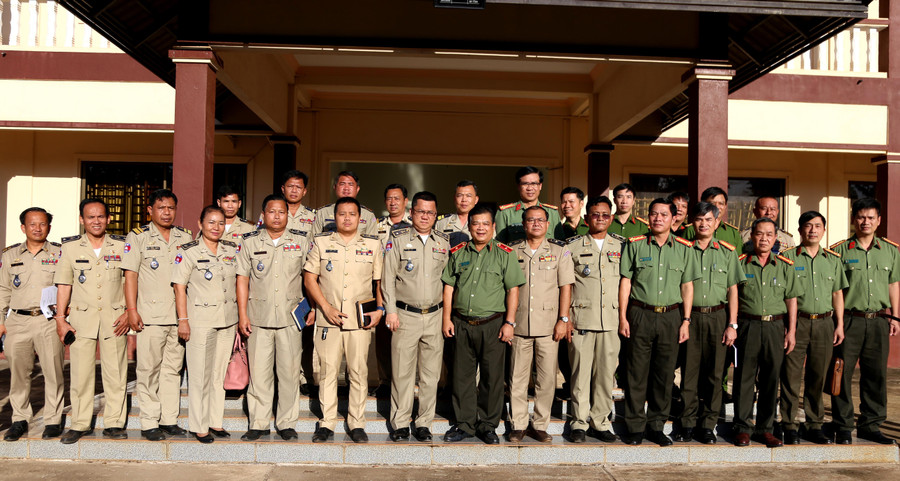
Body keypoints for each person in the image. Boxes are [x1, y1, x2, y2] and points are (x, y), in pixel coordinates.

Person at [441, 203, 525, 445]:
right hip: (462, 323)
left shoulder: (504, 253)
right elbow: (449, 287)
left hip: (493, 324)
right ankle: (465, 424)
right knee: (462, 377)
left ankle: (488, 425)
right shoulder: (458, 252)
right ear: (469, 226)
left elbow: (513, 290)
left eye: (485, 223)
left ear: (493, 226)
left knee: (492, 378)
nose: (480, 228)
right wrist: (446, 318)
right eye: (475, 223)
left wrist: (509, 322)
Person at [618, 198, 699, 446]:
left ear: (674, 218)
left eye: (664, 214)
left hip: (671, 317)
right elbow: (626, 282)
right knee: (636, 373)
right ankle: (633, 426)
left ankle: (656, 426)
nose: (658, 218)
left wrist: (686, 320)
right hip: (640, 314)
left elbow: (687, 286)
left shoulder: (685, 248)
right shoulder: (635, 245)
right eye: (654, 214)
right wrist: (623, 317)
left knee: (664, 375)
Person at [304, 197, 384, 444]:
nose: (347, 218)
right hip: (329, 320)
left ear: (360, 219)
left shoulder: (373, 245)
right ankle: (327, 423)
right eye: (342, 214)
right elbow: (310, 278)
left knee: (358, 372)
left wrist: (380, 309)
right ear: (335, 217)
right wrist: (324, 308)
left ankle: (356, 423)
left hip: (359, 321)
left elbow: (379, 282)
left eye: (352, 214)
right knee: (327, 372)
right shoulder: (321, 242)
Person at [235, 194, 312, 441]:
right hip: (258, 318)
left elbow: (310, 278)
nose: (277, 216)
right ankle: (258, 422)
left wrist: (313, 308)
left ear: (288, 215)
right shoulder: (249, 242)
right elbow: (242, 280)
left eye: (281, 212)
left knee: (289, 374)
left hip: (291, 318)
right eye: (272, 212)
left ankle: (286, 422)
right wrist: (242, 315)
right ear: (263, 215)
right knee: (259, 374)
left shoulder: (301, 241)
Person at [53, 199, 129, 444]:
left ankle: (115, 423)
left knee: (116, 373)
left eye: (100, 217)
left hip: (115, 317)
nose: (96, 221)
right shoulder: (71, 248)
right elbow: (64, 284)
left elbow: (131, 280)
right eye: (90, 217)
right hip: (81, 319)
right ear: (81, 220)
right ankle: (80, 423)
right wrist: (61, 320)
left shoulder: (122, 245)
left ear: (108, 219)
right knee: (81, 374)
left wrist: (130, 310)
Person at [122, 189, 192, 441]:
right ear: (150, 210)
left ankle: (169, 419)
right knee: (148, 370)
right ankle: (150, 421)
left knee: (172, 370)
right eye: (161, 208)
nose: (166, 212)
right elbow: (130, 276)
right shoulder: (138, 237)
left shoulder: (185, 236)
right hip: (149, 316)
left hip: (178, 316)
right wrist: (131, 310)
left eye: (171, 208)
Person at [829, 198, 900, 445]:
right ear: (853, 219)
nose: (865, 222)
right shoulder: (838, 251)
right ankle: (843, 425)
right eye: (861, 217)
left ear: (879, 220)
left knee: (876, 375)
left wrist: (895, 316)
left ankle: (871, 425)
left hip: (879, 320)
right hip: (849, 320)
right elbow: (834, 289)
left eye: (871, 217)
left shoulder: (891, 250)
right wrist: (837, 322)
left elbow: (893, 284)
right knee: (841, 372)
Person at [381, 191, 450, 442]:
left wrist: (446, 317)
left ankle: (423, 423)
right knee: (402, 373)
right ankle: (400, 422)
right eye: (421, 211)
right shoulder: (397, 238)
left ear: (435, 215)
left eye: (430, 213)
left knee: (431, 375)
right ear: (412, 213)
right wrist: (390, 310)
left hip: (434, 314)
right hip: (405, 315)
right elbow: (387, 277)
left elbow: (448, 282)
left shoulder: (443, 242)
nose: (425, 216)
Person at [674, 202, 742, 445]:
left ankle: (708, 425)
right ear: (693, 222)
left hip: (718, 317)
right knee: (689, 374)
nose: (703, 224)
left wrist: (732, 324)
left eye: (708, 219)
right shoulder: (683, 249)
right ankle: (687, 424)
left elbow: (733, 290)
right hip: (690, 318)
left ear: (716, 222)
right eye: (699, 219)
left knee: (715, 375)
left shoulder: (727, 251)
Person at [171, 205, 239, 443]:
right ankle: (199, 425)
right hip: (200, 321)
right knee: (199, 374)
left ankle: (214, 421)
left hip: (228, 320)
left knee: (218, 374)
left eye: (220, 223)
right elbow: (179, 287)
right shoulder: (188, 251)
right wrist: (183, 320)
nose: (216, 227)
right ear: (200, 224)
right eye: (211, 222)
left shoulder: (231, 250)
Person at [506, 206, 574, 443]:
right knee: (517, 377)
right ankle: (518, 423)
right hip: (519, 325)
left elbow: (566, 286)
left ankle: (540, 424)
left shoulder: (559, 250)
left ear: (547, 224)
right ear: (524, 224)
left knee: (547, 378)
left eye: (540, 220)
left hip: (549, 326)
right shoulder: (512, 250)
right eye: (531, 220)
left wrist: (563, 320)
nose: (536, 224)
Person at [779, 211, 846, 445]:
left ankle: (814, 424)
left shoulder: (833, 260)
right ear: (800, 231)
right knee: (790, 375)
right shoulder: (787, 258)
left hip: (825, 324)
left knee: (818, 375)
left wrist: (839, 325)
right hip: (797, 324)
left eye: (818, 226)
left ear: (824, 230)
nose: (813, 230)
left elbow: (837, 293)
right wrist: (790, 329)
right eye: (808, 226)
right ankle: (788, 424)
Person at [732, 217, 799, 448]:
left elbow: (791, 299)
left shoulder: (784, 266)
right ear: (752, 237)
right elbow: (733, 296)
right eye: (759, 234)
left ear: (775, 238)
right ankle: (742, 428)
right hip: (748, 326)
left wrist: (791, 331)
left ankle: (765, 429)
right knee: (744, 378)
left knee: (771, 379)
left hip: (775, 327)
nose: (764, 238)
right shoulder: (740, 263)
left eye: (769, 234)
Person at [0, 207, 65, 441]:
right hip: (18, 321)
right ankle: (19, 419)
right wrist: (1, 321)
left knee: (53, 372)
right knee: (19, 373)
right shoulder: (9, 256)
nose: (38, 228)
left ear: (49, 226)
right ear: (23, 227)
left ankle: (53, 419)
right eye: (32, 224)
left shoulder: (60, 253)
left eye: (43, 224)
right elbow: (3, 290)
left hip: (48, 321)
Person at [564, 196, 623, 444]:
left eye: (605, 215)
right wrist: (565, 317)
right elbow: (565, 284)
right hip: (581, 320)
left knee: (605, 375)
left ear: (611, 218)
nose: (600, 218)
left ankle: (600, 422)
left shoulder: (622, 246)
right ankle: (578, 422)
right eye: (595, 214)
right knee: (580, 374)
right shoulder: (572, 246)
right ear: (587, 218)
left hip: (611, 319)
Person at [372, 183, 413, 396]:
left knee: (408, 336)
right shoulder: (376, 226)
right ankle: (385, 380)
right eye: (389, 198)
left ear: (406, 201)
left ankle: (406, 382)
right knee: (383, 337)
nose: (393, 202)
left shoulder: (415, 225)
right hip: (381, 285)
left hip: (407, 285)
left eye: (397, 198)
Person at [495, 166, 561, 243]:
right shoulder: (505, 213)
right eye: (525, 184)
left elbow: (559, 243)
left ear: (540, 186)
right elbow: (500, 245)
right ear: (518, 186)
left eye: (534, 183)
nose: (530, 188)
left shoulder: (552, 212)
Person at [312, 171, 377, 236]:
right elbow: (313, 240)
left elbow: (373, 242)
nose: (346, 188)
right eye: (342, 184)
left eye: (350, 184)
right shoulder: (322, 213)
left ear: (357, 189)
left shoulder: (368, 215)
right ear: (335, 187)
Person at [435, 180, 479, 247]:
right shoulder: (442, 222)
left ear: (476, 199)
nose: (464, 199)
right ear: (455, 198)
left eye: (468, 196)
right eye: (460, 195)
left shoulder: (484, 223)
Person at [280, 170, 317, 240]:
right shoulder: (272, 213)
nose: (294, 190)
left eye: (298, 187)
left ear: (304, 191)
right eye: (290, 186)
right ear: (283, 189)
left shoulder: (313, 216)